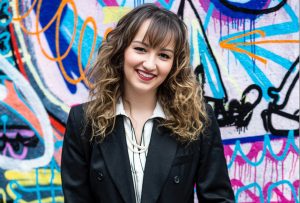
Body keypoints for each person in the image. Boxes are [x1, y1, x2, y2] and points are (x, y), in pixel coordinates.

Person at [61, 3, 235, 203]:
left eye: (163, 55)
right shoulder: (83, 121)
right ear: (121, 50)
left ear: (174, 65)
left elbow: (218, 198)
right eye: (141, 49)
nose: (150, 64)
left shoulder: (198, 120)